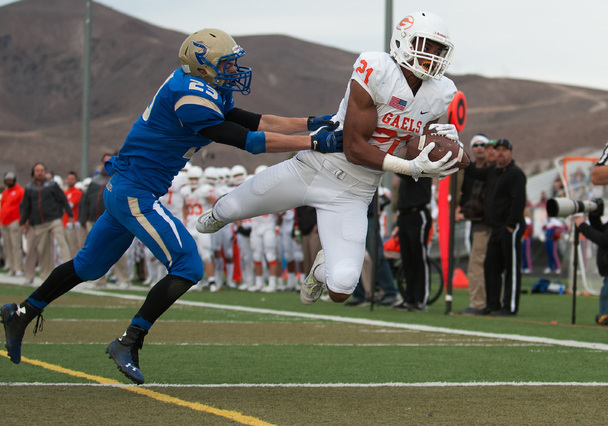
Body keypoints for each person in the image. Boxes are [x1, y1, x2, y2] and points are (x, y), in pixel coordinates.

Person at [0, 28, 343, 385]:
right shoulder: (190, 98)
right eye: (225, 64)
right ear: (203, 66)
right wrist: (315, 143)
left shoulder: (200, 86)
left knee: (88, 266)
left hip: (126, 188)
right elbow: (249, 141)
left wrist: (310, 124)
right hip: (136, 192)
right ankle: (129, 341)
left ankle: (22, 312)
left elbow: (254, 120)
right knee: (189, 265)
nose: (232, 70)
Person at [197, 12, 461, 306]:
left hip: (354, 192)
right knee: (227, 209)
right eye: (426, 45)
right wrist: (409, 167)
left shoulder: (440, 93)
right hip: (314, 167)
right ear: (403, 41)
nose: (432, 55)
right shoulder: (377, 70)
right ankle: (219, 215)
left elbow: (411, 147)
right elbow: (355, 148)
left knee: (342, 288)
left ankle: (322, 269)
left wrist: (436, 146)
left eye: (438, 50)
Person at [470, 139, 526, 316]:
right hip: (494, 227)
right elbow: (473, 171)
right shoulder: (493, 172)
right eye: (498, 149)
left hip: (510, 226)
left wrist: (511, 224)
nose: (501, 153)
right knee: (490, 266)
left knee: (511, 268)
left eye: (504, 150)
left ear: (510, 152)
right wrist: (456, 153)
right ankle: (492, 304)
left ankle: (509, 306)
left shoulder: (516, 174)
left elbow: (519, 200)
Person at [79, 153, 133, 288]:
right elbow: (86, 201)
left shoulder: (119, 178)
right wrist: (84, 218)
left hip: (114, 221)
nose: (106, 164)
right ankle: (99, 280)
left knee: (117, 250)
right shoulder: (95, 180)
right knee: (95, 251)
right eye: (104, 162)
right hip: (94, 220)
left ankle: (124, 279)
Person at [19, 162, 73, 283]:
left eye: (42, 170)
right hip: (39, 223)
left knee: (61, 241)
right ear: (33, 173)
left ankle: (69, 270)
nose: (40, 172)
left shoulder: (52, 185)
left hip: (54, 219)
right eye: (38, 170)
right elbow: (25, 206)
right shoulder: (29, 188)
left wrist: (69, 214)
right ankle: (45, 277)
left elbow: (63, 199)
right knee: (43, 250)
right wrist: (23, 222)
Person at [456, 133, 491, 315]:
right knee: (478, 262)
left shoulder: (490, 169)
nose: (479, 148)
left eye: (482, 145)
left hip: (486, 223)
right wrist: (461, 209)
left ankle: (479, 304)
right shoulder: (471, 172)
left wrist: (461, 159)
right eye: (476, 145)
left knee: (478, 264)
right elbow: (465, 192)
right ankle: (483, 301)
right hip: (474, 221)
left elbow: (478, 174)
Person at [393, 175, 433, 311]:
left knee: (419, 258)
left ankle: (421, 299)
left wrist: (389, 160)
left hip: (418, 214)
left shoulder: (421, 162)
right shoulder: (407, 162)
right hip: (405, 215)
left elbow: (405, 172)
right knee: (407, 259)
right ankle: (409, 298)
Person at [0, 172, 25, 277]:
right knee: (7, 246)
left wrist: (20, 220)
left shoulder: (20, 191)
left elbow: (23, 206)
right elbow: (2, 206)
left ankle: (18, 268)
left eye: (11, 179)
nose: (9, 181)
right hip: (4, 222)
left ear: (14, 180)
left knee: (16, 246)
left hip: (14, 221)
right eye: (7, 179)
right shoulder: (5, 192)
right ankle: (11, 267)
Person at [62, 171, 84, 257]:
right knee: (65, 247)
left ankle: (73, 266)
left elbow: (69, 206)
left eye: (72, 179)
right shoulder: (65, 192)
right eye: (69, 179)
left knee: (73, 247)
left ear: (75, 180)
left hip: (72, 223)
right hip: (64, 222)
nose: (70, 180)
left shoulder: (77, 192)